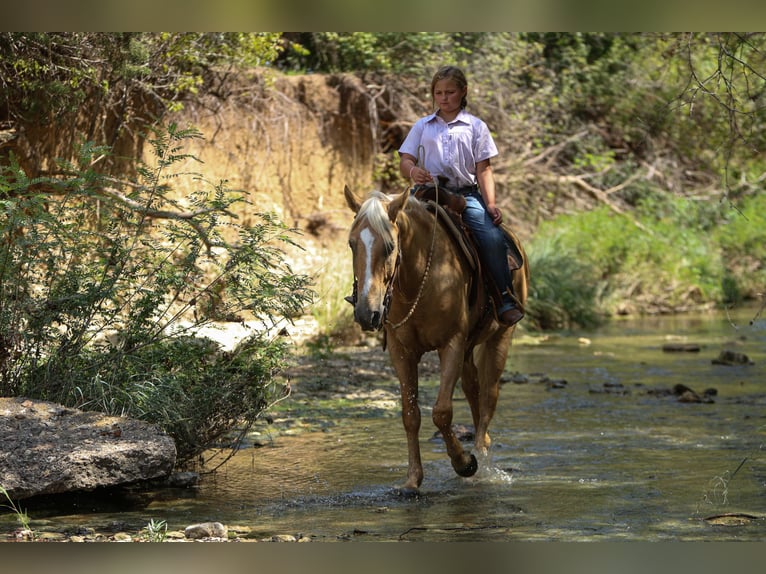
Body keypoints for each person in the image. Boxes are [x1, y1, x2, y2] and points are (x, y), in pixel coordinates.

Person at [398, 65, 523, 326]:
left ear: (463, 91)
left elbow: (484, 169)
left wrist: (490, 203)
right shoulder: (422, 126)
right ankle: (380, 300)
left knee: (490, 236)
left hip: (464, 194)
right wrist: (413, 171)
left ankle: (504, 297)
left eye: (450, 92)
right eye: (438, 92)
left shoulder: (476, 127)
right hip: (427, 192)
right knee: (392, 228)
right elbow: (405, 159)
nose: (443, 97)